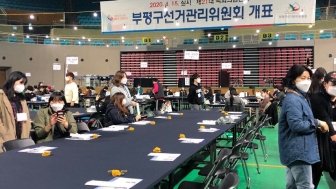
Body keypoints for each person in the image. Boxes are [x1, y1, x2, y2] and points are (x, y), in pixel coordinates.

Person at [279, 64, 329, 189]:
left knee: (292, 185)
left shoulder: (300, 97)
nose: (306, 81)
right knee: (305, 185)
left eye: (308, 78)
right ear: (293, 79)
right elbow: (296, 125)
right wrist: (317, 123)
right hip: (299, 151)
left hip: (297, 150)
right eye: (302, 77)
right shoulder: (293, 100)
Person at [310, 71, 336, 188]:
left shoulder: (328, 98)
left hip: (326, 143)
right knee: (313, 177)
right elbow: (326, 120)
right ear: (325, 83)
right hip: (317, 144)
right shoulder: (317, 98)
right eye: (334, 83)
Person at [0, 71, 31, 152]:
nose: (23, 86)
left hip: (21, 134)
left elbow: (26, 116)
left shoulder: (22, 98)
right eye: (21, 82)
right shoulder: (1, 96)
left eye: (24, 83)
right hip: (5, 136)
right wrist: (4, 132)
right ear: (12, 81)